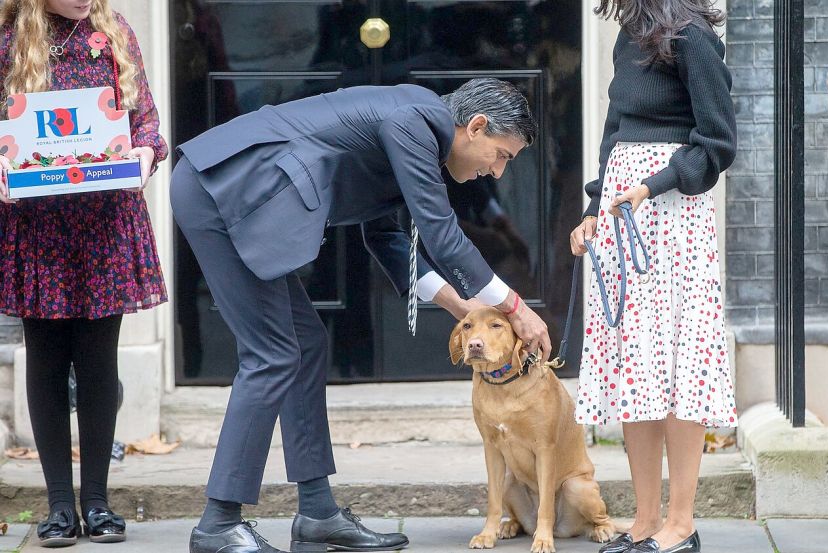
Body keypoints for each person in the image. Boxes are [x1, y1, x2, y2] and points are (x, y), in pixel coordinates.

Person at [170, 77, 552, 553]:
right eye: (501, 155)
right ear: (475, 127)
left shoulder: (417, 132)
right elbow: (441, 233)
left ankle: (316, 513)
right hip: (222, 191)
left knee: (306, 345)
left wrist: (461, 305)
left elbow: (386, 237)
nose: (496, 172)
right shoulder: (414, 120)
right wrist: (515, 307)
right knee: (272, 354)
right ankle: (217, 524)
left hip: (240, 195)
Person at [568, 1, 737, 552]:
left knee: (677, 362)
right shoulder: (629, 33)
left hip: (673, 214)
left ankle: (681, 522)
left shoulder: (691, 37)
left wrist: (653, 184)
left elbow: (717, 142)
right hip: (624, 212)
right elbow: (614, 132)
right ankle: (643, 522)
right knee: (636, 368)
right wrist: (595, 208)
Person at [0, 0, 167, 547]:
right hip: (37, 226)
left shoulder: (112, 30)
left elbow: (144, 120)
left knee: (98, 362)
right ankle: (56, 509)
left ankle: (96, 503)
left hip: (103, 225)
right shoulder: (9, 40)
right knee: (45, 360)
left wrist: (141, 158)